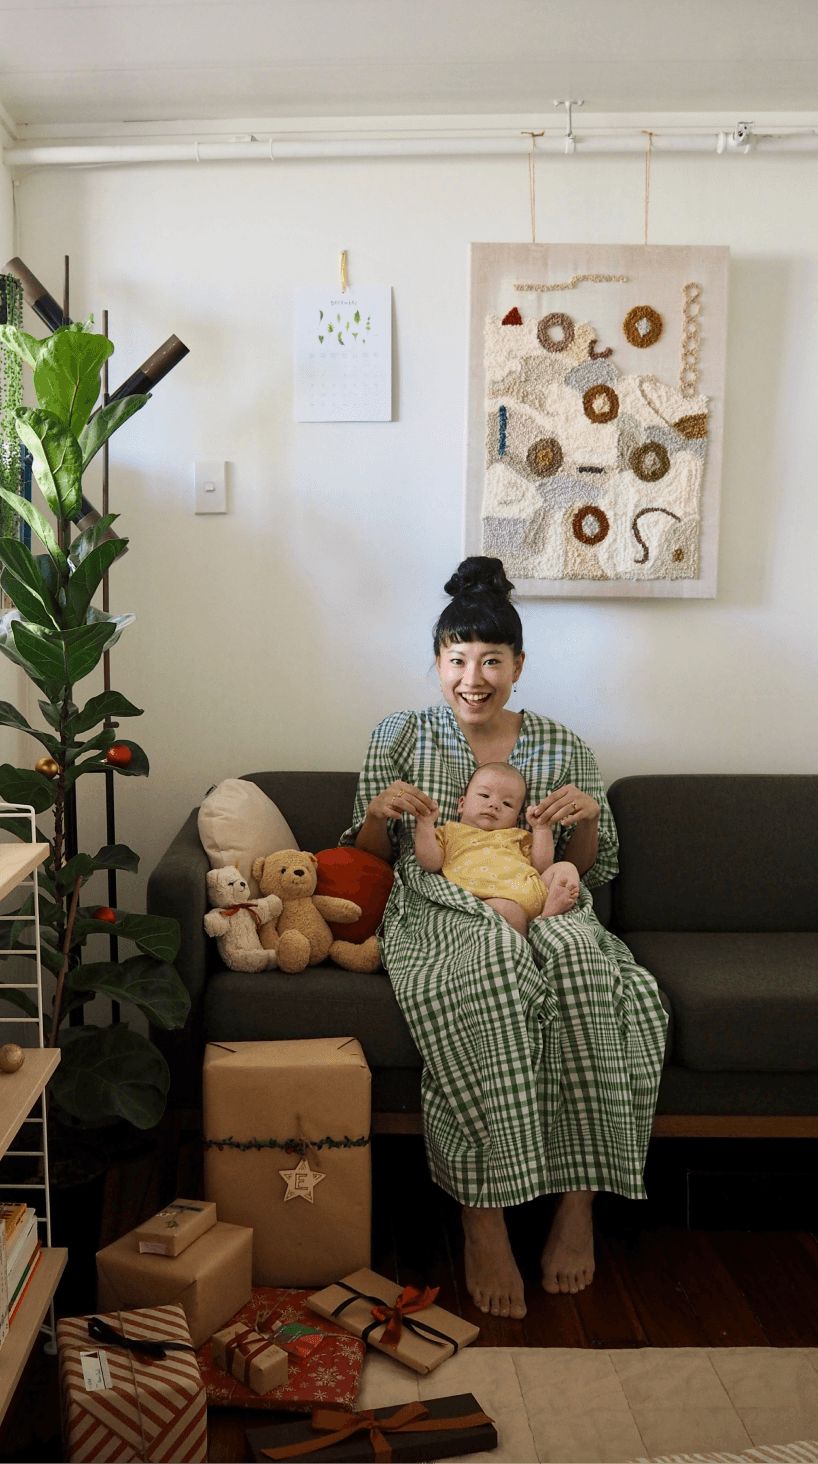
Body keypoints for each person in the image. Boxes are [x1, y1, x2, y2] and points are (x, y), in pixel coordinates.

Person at [341, 556, 668, 1319]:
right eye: (458, 659)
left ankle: (577, 1204)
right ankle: (482, 1215)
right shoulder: (400, 734)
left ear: (519, 665)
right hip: (437, 902)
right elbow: (358, 861)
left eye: (492, 659)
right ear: (437, 662)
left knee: (590, 973)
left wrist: (581, 822)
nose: (474, 676)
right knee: (487, 970)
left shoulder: (560, 745)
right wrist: (378, 813)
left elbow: (590, 872)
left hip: (546, 899)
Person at [412, 761, 581, 938]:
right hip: (486, 902)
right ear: (462, 803)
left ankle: (548, 913)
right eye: (484, 795)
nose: (494, 805)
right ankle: (531, 940)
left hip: (532, 892)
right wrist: (425, 824)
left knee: (566, 868)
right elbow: (430, 863)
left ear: (517, 818)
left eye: (507, 804)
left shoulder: (518, 835)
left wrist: (541, 829)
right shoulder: (449, 832)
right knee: (509, 910)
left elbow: (542, 866)